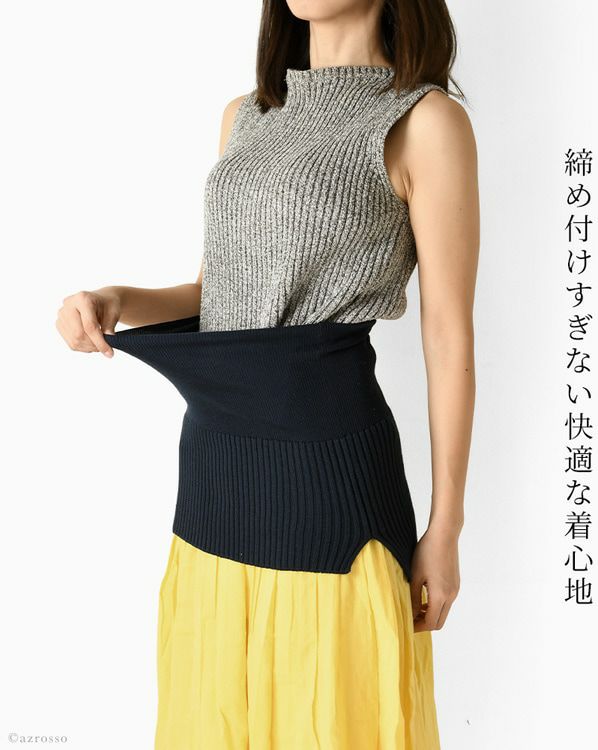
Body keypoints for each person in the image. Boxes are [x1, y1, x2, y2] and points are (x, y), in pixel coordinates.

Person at [55, 0, 479, 747]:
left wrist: (445, 528)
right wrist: (116, 299)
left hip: (329, 479)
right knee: (211, 710)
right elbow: (216, 291)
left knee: (333, 715)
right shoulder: (246, 115)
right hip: (215, 471)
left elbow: (447, 334)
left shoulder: (424, 121)